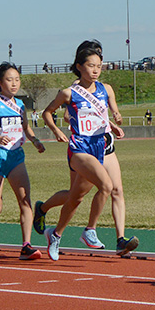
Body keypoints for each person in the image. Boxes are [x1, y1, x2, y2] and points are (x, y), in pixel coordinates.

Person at [41, 42, 121, 261]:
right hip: (79, 148)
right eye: (90, 65)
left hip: (98, 146)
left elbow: (100, 117)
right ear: (79, 66)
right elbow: (47, 113)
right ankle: (90, 230)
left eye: (99, 66)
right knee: (106, 185)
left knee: (75, 198)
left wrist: (112, 125)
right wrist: (56, 130)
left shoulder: (104, 90)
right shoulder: (69, 93)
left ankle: (55, 234)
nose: (95, 70)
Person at [0, 62, 45, 260]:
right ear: (0, 82)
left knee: (25, 201)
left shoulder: (20, 105)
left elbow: (26, 128)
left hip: (15, 156)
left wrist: (35, 141)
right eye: (9, 79)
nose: (14, 83)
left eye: (17, 79)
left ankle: (26, 245)